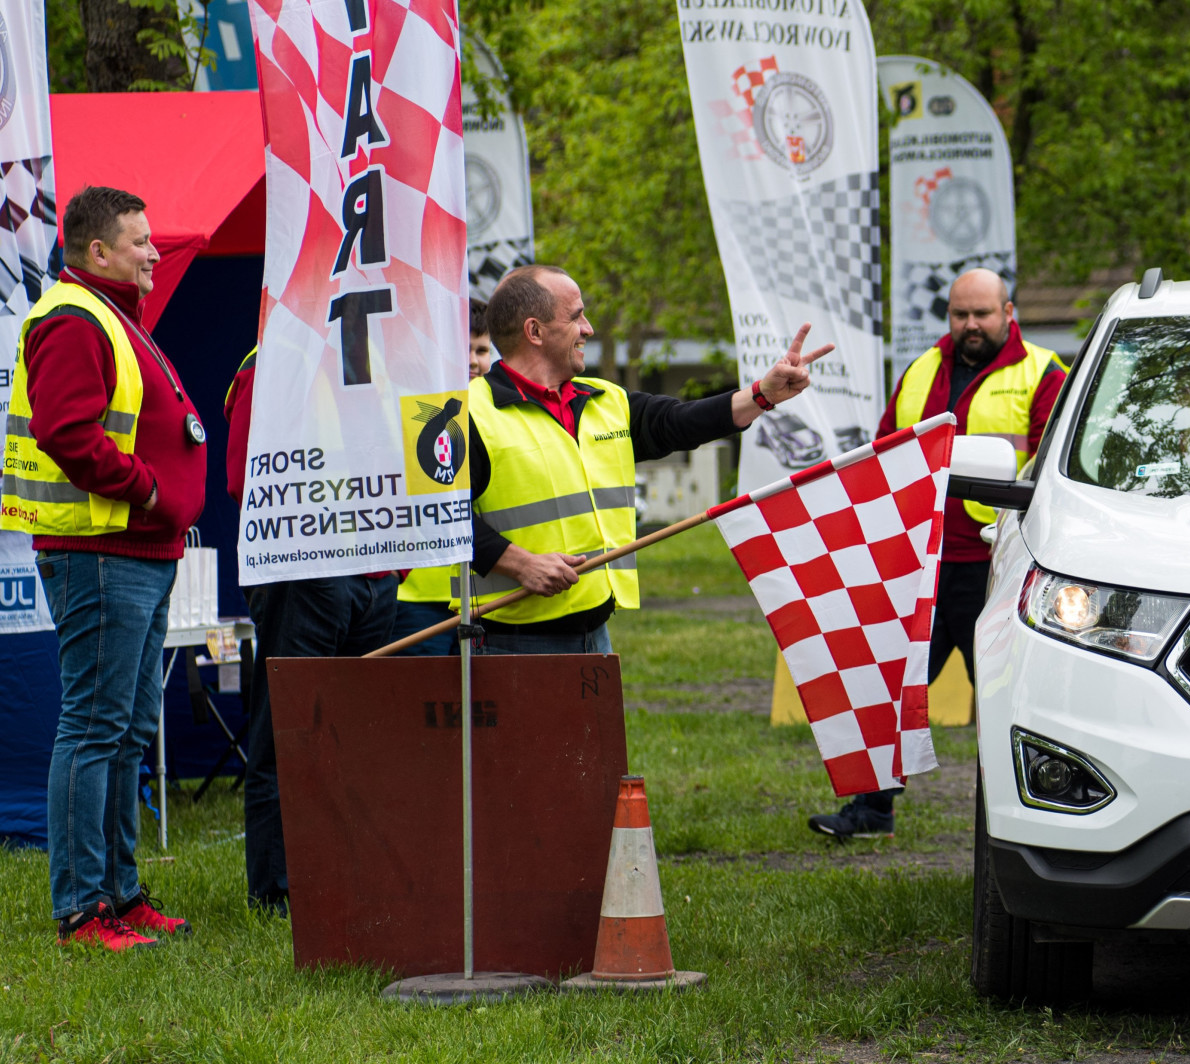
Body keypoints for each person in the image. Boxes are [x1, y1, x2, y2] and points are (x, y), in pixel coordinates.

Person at [1, 187, 202, 950]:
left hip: (138, 550)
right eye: (141, 241)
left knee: (120, 732)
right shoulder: (72, 319)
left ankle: (120, 893)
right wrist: (151, 490)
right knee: (92, 728)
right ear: (97, 252)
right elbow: (64, 432)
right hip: (101, 549)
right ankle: (83, 910)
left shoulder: (111, 318)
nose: (154, 251)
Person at [807, 268, 1066, 840]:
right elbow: (884, 456)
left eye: (982, 314)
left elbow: (1054, 472)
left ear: (1009, 313)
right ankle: (872, 810)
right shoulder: (921, 371)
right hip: (920, 565)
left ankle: (1032, 818)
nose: (970, 325)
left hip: (1001, 570)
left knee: (1007, 704)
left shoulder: (1044, 374)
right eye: (959, 315)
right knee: (893, 689)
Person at [463, 264, 828, 653]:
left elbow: (679, 422)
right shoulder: (468, 414)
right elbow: (439, 517)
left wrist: (762, 394)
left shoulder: (605, 400)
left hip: (595, 633)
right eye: (576, 317)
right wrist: (519, 563)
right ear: (534, 331)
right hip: (507, 641)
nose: (588, 328)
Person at [220, 350, 403, 916]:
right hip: (306, 574)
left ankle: (345, 876)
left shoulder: (389, 355)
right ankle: (277, 893)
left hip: (375, 574)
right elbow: (245, 478)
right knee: (287, 736)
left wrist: (397, 562)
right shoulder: (272, 360)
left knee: (355, 740)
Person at [387, 301, 495, 657]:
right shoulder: (408, 406)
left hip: (483, 595)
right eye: (463, 348)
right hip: (417, 598)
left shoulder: (499, 413)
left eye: (481, 350)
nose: (472, 360)